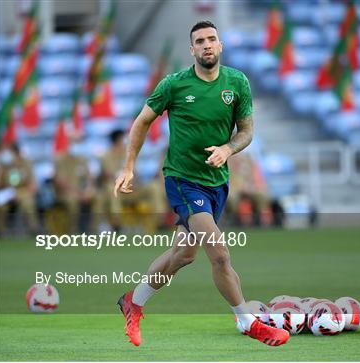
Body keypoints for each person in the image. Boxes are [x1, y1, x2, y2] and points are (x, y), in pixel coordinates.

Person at [113, 21, 289, 347]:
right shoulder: (174, 85)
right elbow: (141, 123)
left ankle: (132, 302)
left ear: (220, 46)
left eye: (211, 39)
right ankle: (248, 322)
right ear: (192, 49)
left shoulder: (237, 82)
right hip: (182, 180)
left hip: (217, 182)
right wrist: (128, 167)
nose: (206, 45)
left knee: (183, 254)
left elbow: (246, 131)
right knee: (219, 253)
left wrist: (227, 148)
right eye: (200, 41)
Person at [0, 143, 39, 235]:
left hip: (23, 191)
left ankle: (34, 229)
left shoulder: (26, 163)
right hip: (6, 191)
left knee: (28, 204)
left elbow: (33, 184)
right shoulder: (4, 165)